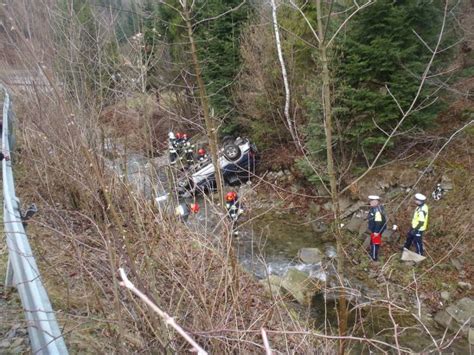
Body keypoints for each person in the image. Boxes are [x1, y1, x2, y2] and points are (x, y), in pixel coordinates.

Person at [367, 195, 387, 262]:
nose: (370, 202)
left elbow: (378, 222)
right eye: (370, 201)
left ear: (376, 201)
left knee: (375, 243)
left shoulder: (377, 210)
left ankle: (374, 258)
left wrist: (376, 231)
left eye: (371, 201)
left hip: (377, 229)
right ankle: (372, 253)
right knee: (372, 242)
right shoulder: (374, 208)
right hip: (374, 228)